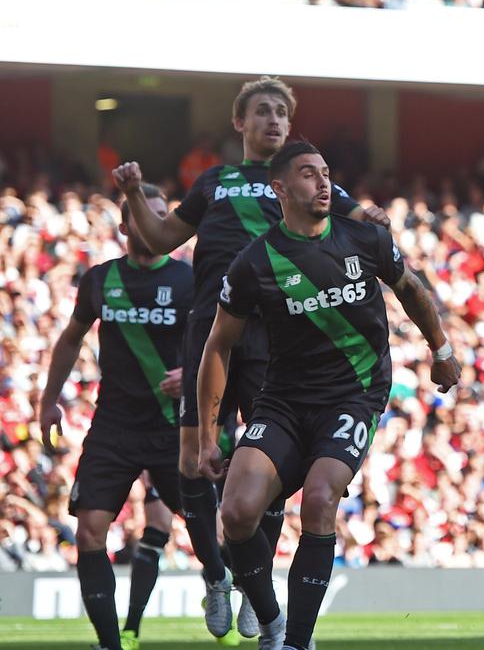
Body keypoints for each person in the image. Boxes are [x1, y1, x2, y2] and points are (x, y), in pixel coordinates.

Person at [112, 76, 389, 640]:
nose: (274, 121)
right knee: (193, 461)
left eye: (282, 113)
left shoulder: (303, 181)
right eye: (262, 111)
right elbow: (163, 238)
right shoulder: (214, 181)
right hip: (210, 328)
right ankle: (218, 577)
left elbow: (363, 224)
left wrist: (374, 217)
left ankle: (253, 591)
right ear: (239, 122)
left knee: (265, 468)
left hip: (278, 338)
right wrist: (137, 193)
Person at [196, 140, 460, 650]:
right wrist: (209, 434)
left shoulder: (366, 241)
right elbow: (218, 346)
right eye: (307, 174)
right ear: (280, 188)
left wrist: (441, 348)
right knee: (235, 513)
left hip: (353, 396)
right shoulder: (254, 263)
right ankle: (271, 622)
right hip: (284, 399)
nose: (322, 183)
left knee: (319, 498)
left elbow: (412, 291)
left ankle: (296, 642)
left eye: (325, 173)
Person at [37, 184, 191, 650]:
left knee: (221, 532)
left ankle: (236, 598)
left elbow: (223, 343)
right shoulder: (101, 279)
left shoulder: (189, 280)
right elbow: (69, 339)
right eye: (147, 214)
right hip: (115, 427)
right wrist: (48, 400)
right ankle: (111, 642)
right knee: (89, 530)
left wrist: (197, 373)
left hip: (175, 426)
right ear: (126, 226)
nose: (156, 223)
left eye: (164, 215)